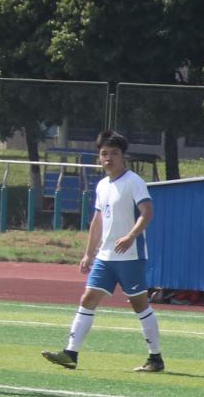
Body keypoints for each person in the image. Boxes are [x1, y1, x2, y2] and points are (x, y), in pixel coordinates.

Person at [42, 131, 163, 373]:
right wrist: (89, 253)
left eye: (114, 153)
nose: (108, 158)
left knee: (139, 305)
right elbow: (97, 221)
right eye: (104, 154)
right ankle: (71, 353)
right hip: (105, 257)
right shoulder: (102, 185)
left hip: (130, 256)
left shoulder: (134, 181)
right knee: (88, 299)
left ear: (123, 156)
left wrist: (130, 236)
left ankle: (155, 358)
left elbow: (147, 212)